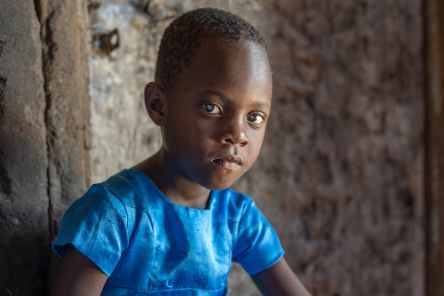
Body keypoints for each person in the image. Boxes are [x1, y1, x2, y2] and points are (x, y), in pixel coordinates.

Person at [50, 7, 311, 296]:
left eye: (255, 118)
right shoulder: (112, 216)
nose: (238, 134)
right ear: (158, 105)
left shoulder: (236, 219)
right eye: (211, 108)